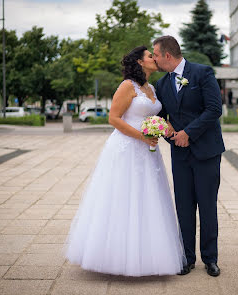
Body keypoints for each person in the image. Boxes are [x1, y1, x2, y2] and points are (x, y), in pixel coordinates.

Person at [65, 46, 186, 277]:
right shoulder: (127, 86)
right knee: (122, 198)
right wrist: (142, 136)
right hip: (126, 148)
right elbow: (114, 118)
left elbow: (154, 116)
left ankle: (149, 255)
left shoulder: (151, 87)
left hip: (148, 151)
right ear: (140, 62)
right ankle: (115, 256)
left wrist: (161, 128)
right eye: (150, 55)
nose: (154, 58)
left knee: (148, 198)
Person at [152, 36, 225, 277]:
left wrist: (188, 133)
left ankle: (210, 259)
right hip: (180, 154)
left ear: (168, 56)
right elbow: (161, 118)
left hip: (206, 152)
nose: (154, 59)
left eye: (155, 54)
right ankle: (187, 258)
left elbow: (214, 109)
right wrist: (171, 136)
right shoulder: (162, 85)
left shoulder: (202, 73)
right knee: (183, 207)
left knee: (207, 206)